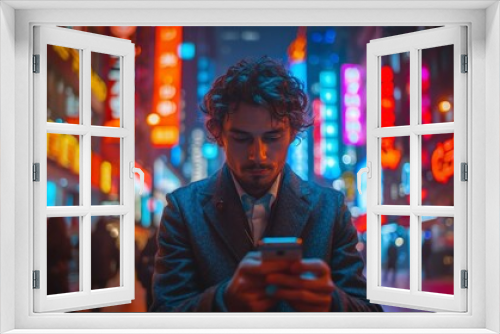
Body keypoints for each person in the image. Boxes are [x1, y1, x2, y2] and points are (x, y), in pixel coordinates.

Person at [150, 56, 383, 312]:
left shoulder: (330, 208)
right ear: (219, 133)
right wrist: (224, 300)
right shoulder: (183, 210)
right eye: (241, 138)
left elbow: (369, 314)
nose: (258, 155)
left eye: (272, 137)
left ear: (292, 133)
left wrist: (331, 301)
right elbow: (164, 315)